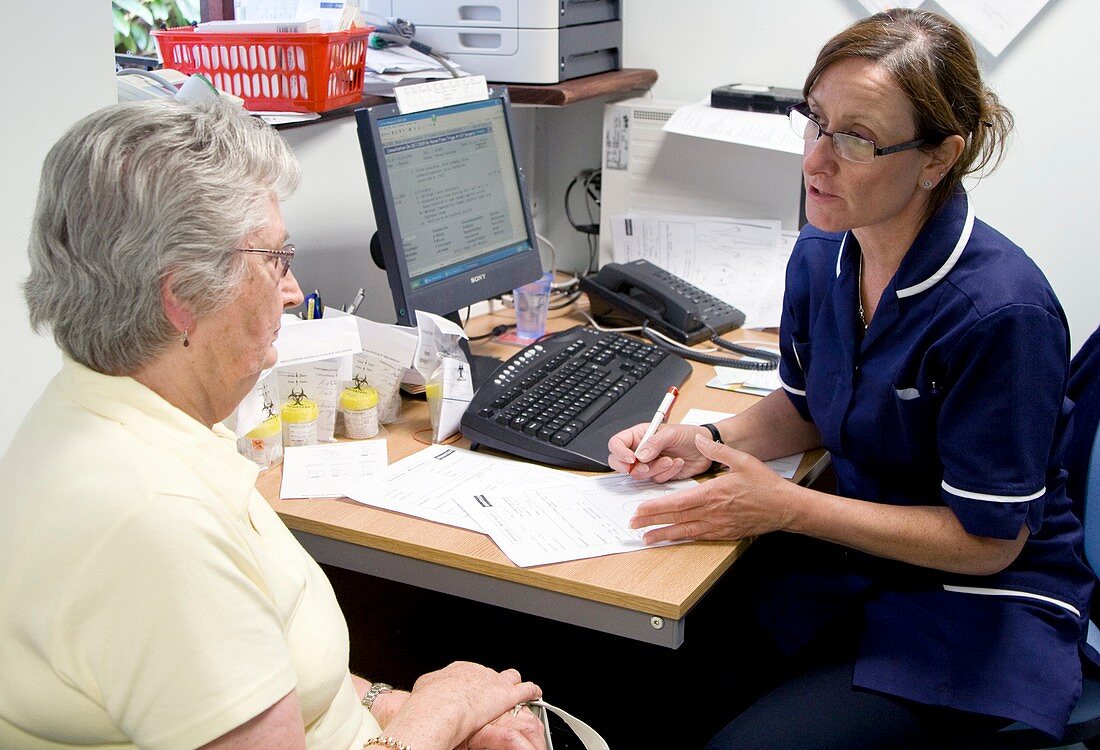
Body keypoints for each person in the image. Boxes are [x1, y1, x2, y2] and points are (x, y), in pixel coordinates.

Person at [609, 9, 1094, 747]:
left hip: (975, 607)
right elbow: (804, 410)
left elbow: (989, 541)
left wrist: (789, 509)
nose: (815, 162)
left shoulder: (1002, 313)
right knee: (632, 680)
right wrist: (704, 438)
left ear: (937, 158)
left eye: (858, 139)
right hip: (856, 568)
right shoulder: (824, 252)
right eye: (815, 122)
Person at [0, 98, 545, 750]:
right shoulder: (152, 524)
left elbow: (265, 656)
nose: (292, 291)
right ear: (182, 297)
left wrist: (389, 705)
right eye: (275, 261)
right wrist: (441, 714)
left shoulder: (106, 409)